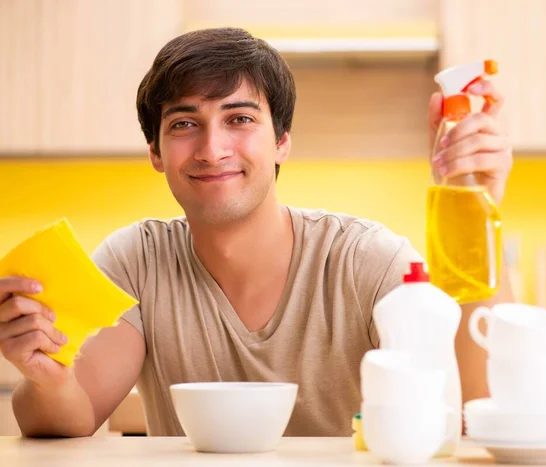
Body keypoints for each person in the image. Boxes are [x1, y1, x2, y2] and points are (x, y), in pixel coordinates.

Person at [2, 27, 513, 438]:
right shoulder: (136, 261)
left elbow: (478, 405)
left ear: (282, 141)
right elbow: (73, 414)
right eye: (183, 124)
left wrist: (478, 202)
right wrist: (45, 376)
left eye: (239, 118)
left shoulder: (366, 259)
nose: (211, 148)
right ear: (155, 152)